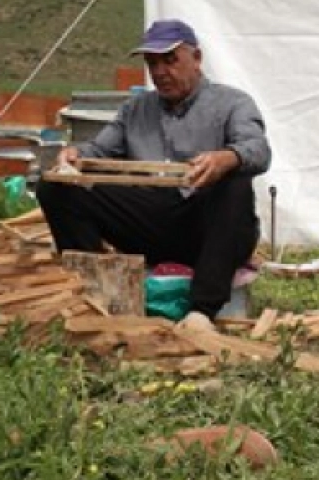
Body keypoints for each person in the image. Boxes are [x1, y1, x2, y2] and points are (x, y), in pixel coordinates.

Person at [38, 19, 271, 322]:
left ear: (197, 59)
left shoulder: (232, 103)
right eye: (153, 63)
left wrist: (225, 158)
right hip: (153, 224)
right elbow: (97, 151)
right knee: (57, 189)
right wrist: (75, 155)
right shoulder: (135, 110)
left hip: (212, 229)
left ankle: (201, 311)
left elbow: (259, 150)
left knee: (234, 183)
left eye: (170, 60)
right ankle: (98, 294)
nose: (160, 72)